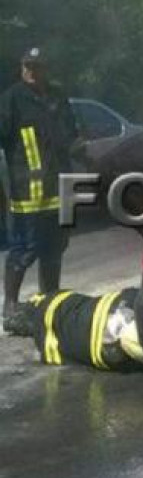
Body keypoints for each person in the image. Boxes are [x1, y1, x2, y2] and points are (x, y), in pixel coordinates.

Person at [0, 49, 78, 333]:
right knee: (24, 249)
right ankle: (10, 306)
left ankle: (50, 300)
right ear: (21, 68)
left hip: (60, 189)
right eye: (27, 66)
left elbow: (71, 137)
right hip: (27, 195)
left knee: (55, 248)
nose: (31, 71)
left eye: (36, 66)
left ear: (46, 69)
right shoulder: (11, 100)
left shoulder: (58, 98)